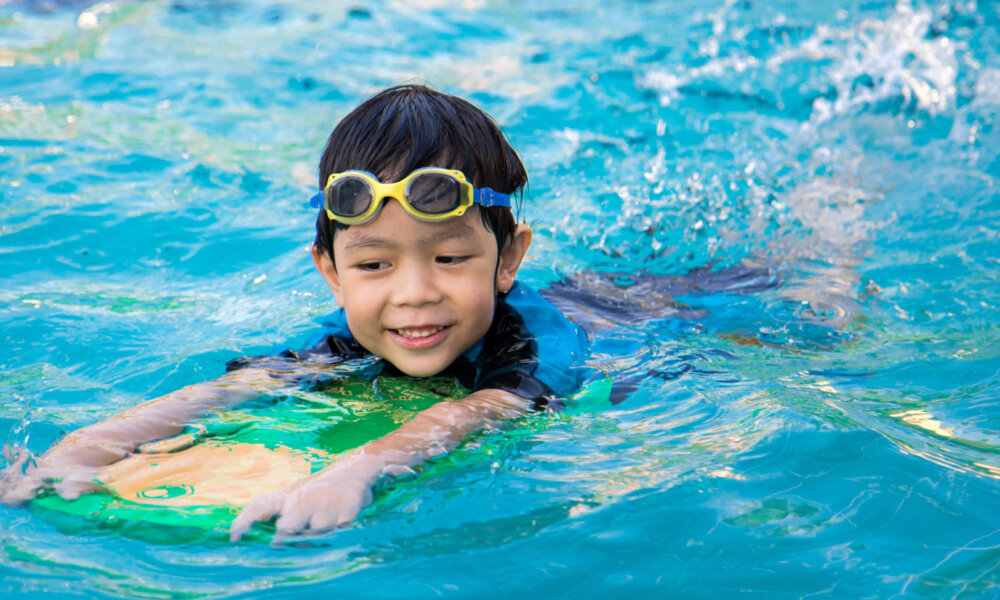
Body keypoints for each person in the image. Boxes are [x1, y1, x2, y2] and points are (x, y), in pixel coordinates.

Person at [0, 85, 590, 541]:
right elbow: (231, 390)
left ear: (508, 258)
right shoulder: (350, 336)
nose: (413, 293)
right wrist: (87, 445)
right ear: (331, 273)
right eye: (374, 266)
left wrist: (359, 468)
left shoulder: (536, 342)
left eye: (451, 256)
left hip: (636, 311)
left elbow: (485, 410)